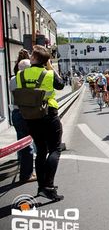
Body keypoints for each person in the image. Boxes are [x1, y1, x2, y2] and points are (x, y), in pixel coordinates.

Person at [16, 45, 65, 201]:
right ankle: (49, 187)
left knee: (41, 150)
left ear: (34, 58)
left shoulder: (20, 75)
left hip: (30, 117)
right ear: (45, 60)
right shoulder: (48, 74)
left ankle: (41, 186)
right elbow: (61, 84)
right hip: (48, 114)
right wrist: (49, 66)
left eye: (31, 55)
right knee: (55, 149)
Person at [10, 58, 35, 183]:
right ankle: (27, 174)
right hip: (26, 112)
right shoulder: (28, 80)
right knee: (28, 145)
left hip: (15, 112)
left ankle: (26, 171)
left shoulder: (13, 80)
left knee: (22, 143)